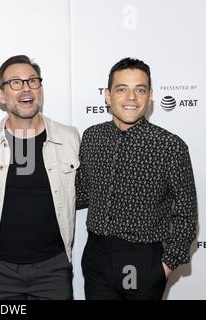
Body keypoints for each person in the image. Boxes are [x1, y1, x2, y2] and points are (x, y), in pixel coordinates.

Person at [76, 57, 197, 300]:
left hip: (143, 260)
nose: (131, 97)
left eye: (140, 89)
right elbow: (80, 193)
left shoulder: (170, 146)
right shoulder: (92, 137)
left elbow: (186, 214)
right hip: (96, 256)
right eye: (122, 89)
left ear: (150, 96)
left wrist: (164, 267)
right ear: (108, 96)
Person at [0, 55, 80, 300]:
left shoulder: (69, 137)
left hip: (54, 267)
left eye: (33, 81)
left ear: (40, 90)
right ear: (1, 95)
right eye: (16, 83)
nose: (26, 88)